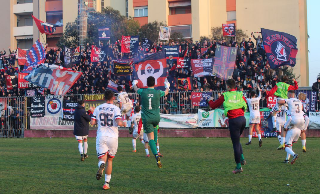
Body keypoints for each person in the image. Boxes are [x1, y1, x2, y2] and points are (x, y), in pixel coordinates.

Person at [208, 79, 247, 174]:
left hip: (234, 120)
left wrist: (210, 100)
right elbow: (245, 103)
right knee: (237, 140)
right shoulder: (239, 94)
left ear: (228, 86)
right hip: (243, 119)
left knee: (235, 143)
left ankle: (239, 166)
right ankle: (242, 158)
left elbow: (213, 106)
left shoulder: (225, 95)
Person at [91, 90, 127, 190]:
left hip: (101, 135)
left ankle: (101, 164)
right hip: (113, 137)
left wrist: (93, 112)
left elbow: (92, 122)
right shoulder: (115, 108)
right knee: (110, 160)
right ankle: (106, 183)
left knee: (102, 158)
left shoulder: (98, 108)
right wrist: (123, 123)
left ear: (104, 98)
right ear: (113, 98)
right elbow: (119, 123)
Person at [133, 76, 169, 168]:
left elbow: (136, 89)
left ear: (146, 83)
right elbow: (166, 92)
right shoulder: (158, 92)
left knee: (150, 139)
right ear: (155, 83)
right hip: (156, 117)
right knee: (155, 129)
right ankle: (157, 149)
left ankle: (156, 155)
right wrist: (167, 86)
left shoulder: (143, 91)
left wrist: (134, 84)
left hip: (147, 118)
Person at [280, 91, 306, 164]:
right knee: (290, 144)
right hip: (299, 128)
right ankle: (287, 159)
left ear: (290, 94)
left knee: (286, 146)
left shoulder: (289, 103)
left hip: (293, 125)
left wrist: (281, 101)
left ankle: (294, 154)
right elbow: (305, 114)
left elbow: (280, 101)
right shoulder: (300, 103)